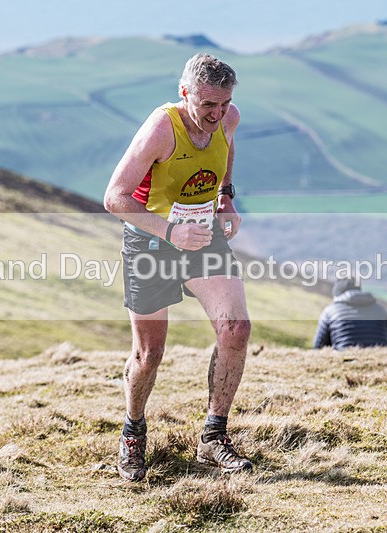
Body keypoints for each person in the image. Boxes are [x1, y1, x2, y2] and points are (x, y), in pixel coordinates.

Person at [103, 53, 252, 481]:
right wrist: (170, 233)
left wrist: (226, 198)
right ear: (184, 93)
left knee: (235, 329)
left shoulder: (228, 117)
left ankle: (213, 436)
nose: (216, 114)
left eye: (224, 104)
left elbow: (226, 151)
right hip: (150, 240)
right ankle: (133, 432)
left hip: (203, 234)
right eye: (208, 105)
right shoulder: (161, 129)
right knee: (149, 355)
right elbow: (115, 197)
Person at [313, 277, 387, 350]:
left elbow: (318, 346)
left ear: (337, 294)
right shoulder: (380, 309)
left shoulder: (330, 311)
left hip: (344, 359)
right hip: (379, 359)